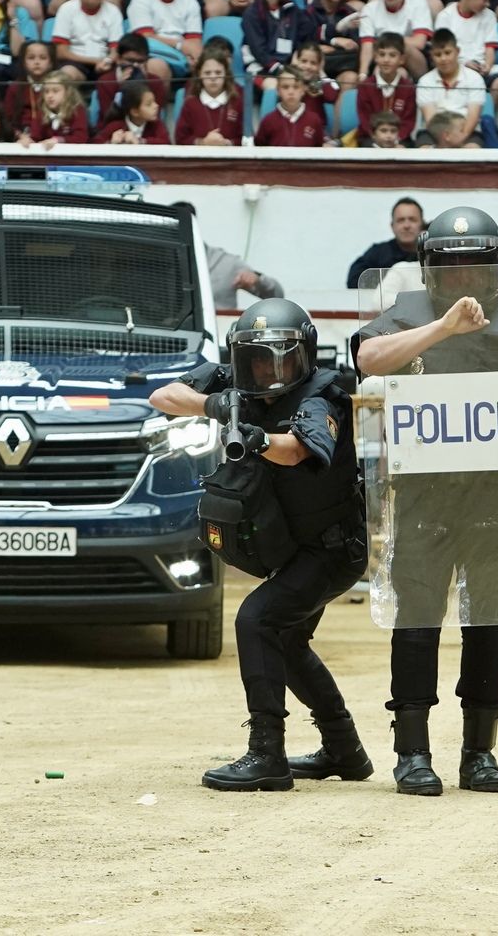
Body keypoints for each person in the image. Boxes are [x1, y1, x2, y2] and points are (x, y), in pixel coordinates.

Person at [351, 205, 498, 797]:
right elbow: (367, 361)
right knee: (417, 615)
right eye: (451, 267)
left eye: (477, 267)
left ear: (497, 268)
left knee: (490, 616)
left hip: (494, 493)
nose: (465, 279)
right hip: (423, 496)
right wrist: (443, 330)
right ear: (429, 270)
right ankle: (411, 751)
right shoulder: (407, 315)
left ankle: (479, 751)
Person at [151, 299, 371, 792]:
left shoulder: (324, 394)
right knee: (286, 640)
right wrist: (217, 404)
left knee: (257, 620)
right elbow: (163, 397)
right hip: (294, 545)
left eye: (280, 358)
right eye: (254, 359)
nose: (266, 371)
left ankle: (267, 753)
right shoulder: (233, 379)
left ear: (306, 355)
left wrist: (257, 438)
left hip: (333, 548)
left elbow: (298, 451)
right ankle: (345, 750)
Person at [171, 201, 284, 310]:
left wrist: (258, 280)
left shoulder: (226, 263)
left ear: (194, 227)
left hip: (220, 327)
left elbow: (277, 297)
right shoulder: (159, 263)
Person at [355, 0, 432, 79]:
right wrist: (362, 74)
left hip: (414, 59)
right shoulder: (370, 8)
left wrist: (384, 41)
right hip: (385, 62)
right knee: (382, 72)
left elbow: (419, 42)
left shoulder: (417, 1)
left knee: (402, 47)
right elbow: (367, 46)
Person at [52, 0, 124, 83]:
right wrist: (95, 61)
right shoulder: (66, 9)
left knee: (121, 76)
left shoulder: (113, 11)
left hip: (105, 63)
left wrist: (107, 61)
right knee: (66, 74)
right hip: (75, 62)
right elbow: (61, 52)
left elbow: (115, 51)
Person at [415, 27, 485, 148]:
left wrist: (460, 137)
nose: (443, 59)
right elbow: (431, 119)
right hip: (434, 132)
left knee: (472, 150)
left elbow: (473, 115)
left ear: (457, 51)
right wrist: (445, 139)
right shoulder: (425, 81)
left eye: (448, 53)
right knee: (424, 150)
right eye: (438, 55)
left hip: (467, 131)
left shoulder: (475, 78)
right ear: (431, 56)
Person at [345, 196, 423, 288]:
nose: (406, 225)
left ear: (422, 224)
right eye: (400, 220)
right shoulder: (378, 253)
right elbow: (354, 281)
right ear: (392, 226)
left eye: (412, 219)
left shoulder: (432, 253)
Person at [173, 46, 243, 145]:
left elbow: (246, 139)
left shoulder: (236, 102)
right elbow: (180, 139)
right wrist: (203, 142)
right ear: (200, 74)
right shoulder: (190, 104)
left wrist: (227, 143)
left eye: (218, 72)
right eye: (207, 73)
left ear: (226, 74)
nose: (213, 77)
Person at [355, 31, 415, 144]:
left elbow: (408, 121)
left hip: (399, 139)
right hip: (370, 137)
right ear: (375, 57)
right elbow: (364, 118)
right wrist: (378, 139)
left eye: (392, 55)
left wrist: (396, 140)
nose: (386, 60)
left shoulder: (408, 88)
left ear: (401, 59)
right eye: (382, 54)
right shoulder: (365, 86)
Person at [255, 64, 327, 146]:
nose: (291, 92)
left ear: (303, 90)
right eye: (285, 87)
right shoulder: (268, 121)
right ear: (278, 90)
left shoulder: (314, 120)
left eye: (296, 87)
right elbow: (260, 148)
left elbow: (318, 147)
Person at [93, 80, 169, 143]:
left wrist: (141, 141)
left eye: (154, 102)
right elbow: (95, 143)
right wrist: (110, 143)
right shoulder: (115, 126)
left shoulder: (157, 125)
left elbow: (166, 142)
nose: (156, 106)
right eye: (149, 104)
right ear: (135, 112)